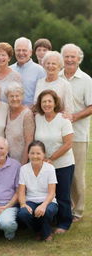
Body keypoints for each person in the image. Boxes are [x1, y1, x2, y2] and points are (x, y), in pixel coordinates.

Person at [59, 43, 92, 222]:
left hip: (78, 135)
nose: (70, 59)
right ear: (62, 58)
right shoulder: (56, 77)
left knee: (77, 175)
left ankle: (77, 211)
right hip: (58, 135)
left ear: (79, 59)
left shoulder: (86, 80)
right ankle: (64, 208)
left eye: (73, 57)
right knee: (62, 174)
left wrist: (74, 117)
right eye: (67, 56)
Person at [35, 90, 75, 233]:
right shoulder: (37, 118)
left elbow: (68, 144)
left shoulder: (63, 120)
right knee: (47, 194)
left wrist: (51, 158)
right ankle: (50, 219)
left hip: (63, 164)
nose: (47, 104)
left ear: (55, 103)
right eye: (44, 101)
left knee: (62, 194)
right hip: (44, 165)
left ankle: (64, 223)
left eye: (49, 101)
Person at [17, 141, 58, 241]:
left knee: (47, 211)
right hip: (30, 200)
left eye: (38, 153)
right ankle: (40, 231)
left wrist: (43, 205)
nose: (35, 156)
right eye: (32, 153)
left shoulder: (50, 168)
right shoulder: (23, 169)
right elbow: (21, 191)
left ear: (44, 154)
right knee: (23, 213)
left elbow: (52, 192)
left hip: (48, 201)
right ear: (28, 154)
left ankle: (46, 233)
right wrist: (23, 204)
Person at [5, 82, 35, 164]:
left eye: (17, 96)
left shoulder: (27, 114)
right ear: (7, 98)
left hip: (21, 160)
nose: (14, 99)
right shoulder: (7, 111)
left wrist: (23, 164)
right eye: (11, 96)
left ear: (22, 97)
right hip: (8, 160)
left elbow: (29, 141)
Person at [11, 37, 45, 106]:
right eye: (18, 50)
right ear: (14, 52)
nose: (21, 53)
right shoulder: (9, 70)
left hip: (32, 113)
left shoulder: (40, 71)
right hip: (11, 113)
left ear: (30, 52)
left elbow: (43, 95)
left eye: (24, 50)